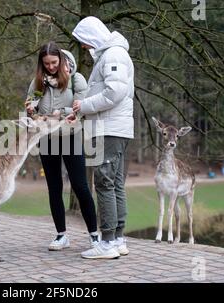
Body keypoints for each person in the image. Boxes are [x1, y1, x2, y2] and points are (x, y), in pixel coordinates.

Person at [68, 16, 134, 259]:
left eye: (84, 41)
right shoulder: (111, 54)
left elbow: (114, 92)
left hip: (109, 129)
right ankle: (117, 239)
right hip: (114, 128)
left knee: (104, 183)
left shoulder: (113, 55)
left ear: (92, 35)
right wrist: (82, 111)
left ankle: (107, 243)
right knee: (115, 182)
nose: (84, 47)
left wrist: (83, 106)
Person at [25, 41, 99, 252]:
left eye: (54, 62)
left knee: (80, 186)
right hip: (46, 138)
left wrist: (63, 112)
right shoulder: (38, 82)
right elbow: (32, 105)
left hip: (70, 137)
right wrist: (30, 109)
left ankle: (94, 236)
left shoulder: (76, 79)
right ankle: (61, 235)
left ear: (61, 59)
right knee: (54, 188)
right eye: (46, 63)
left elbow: (80, 109)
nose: (50, 67)